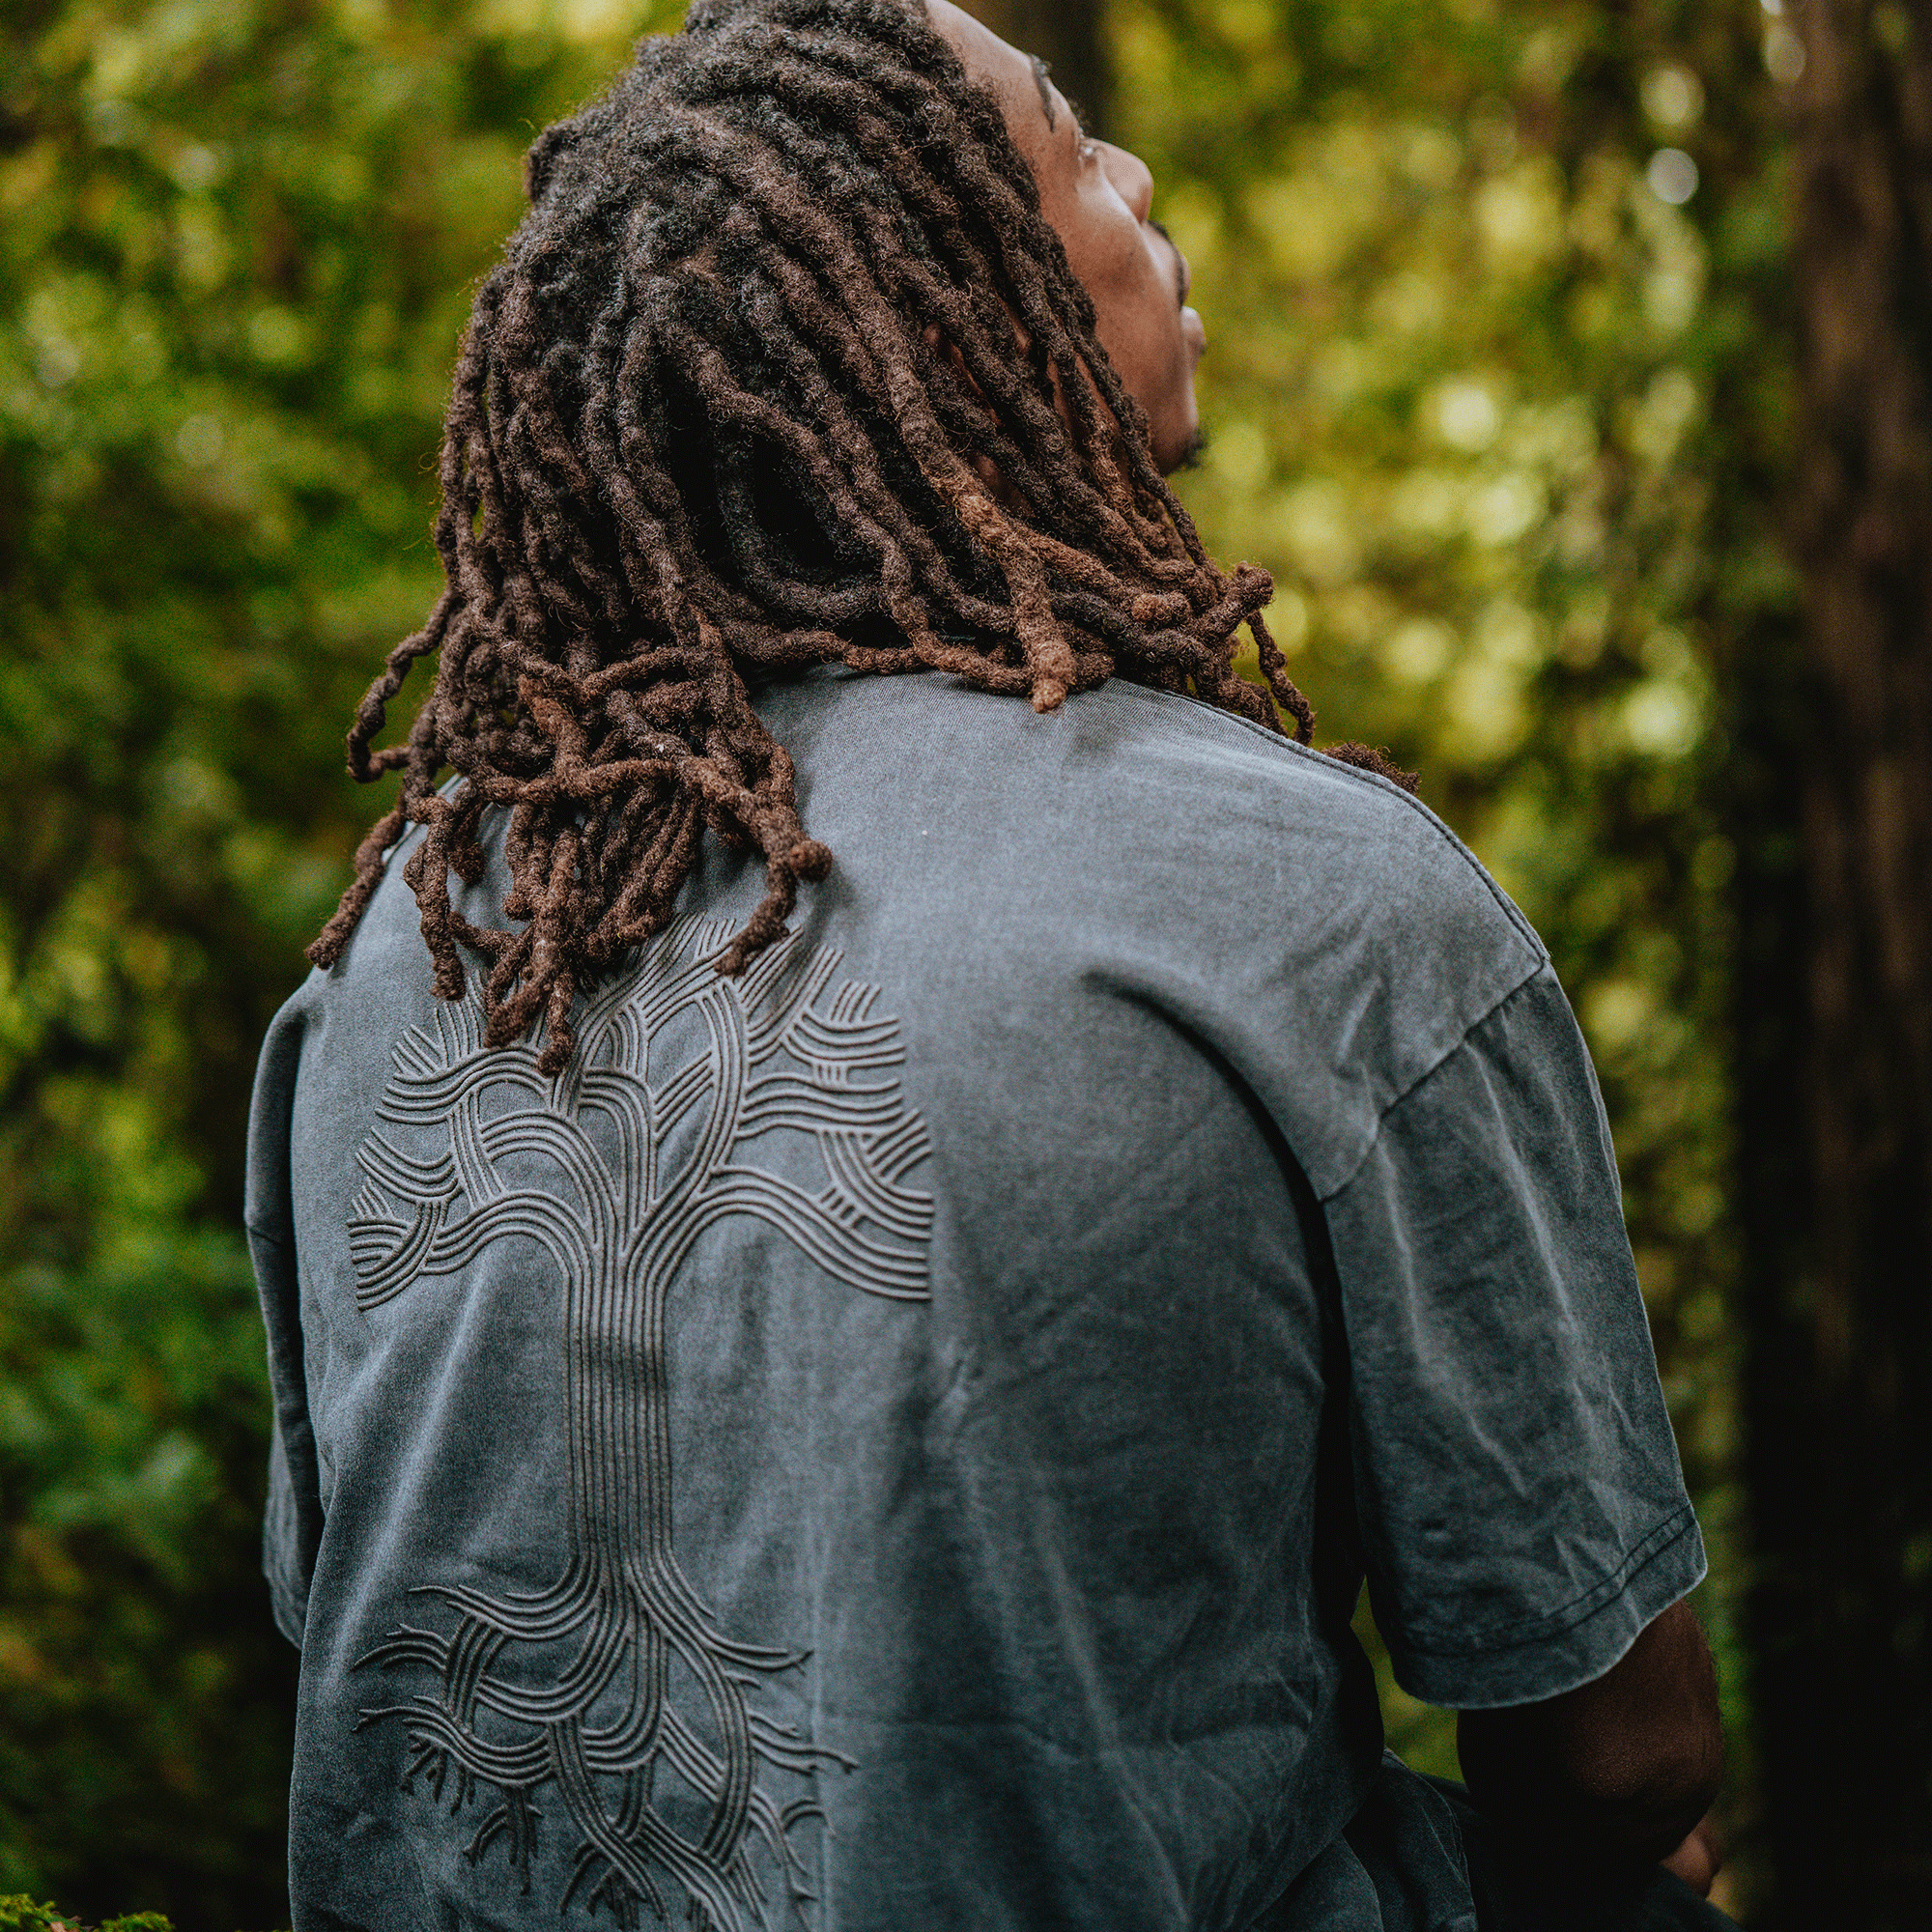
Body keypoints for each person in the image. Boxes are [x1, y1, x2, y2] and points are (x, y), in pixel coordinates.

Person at [245, 1, 1730, 1926]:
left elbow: (360, 1667)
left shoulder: (409, 949)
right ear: (957, 304)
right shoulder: (1313, 903)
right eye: (1074, 152)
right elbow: (1620, 1758)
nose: (1138, 188)